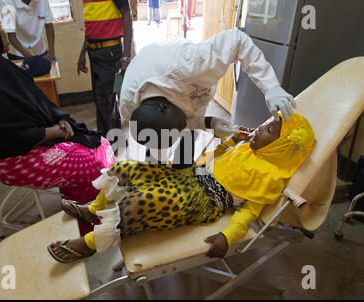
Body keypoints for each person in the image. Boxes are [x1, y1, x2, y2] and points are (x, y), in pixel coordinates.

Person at [47, 112, 314, 263]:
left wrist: (228, 236)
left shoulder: (270, 178)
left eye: (267, 131)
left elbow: (248, 213)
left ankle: (91, 242)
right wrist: (229, 142)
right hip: (190, 174)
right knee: (126, 167)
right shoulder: (246, 148)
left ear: (282, 147)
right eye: (262, 123)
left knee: (142, 201)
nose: (256, 130)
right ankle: (95, 210)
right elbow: (215, 160)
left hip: (203, 200)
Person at [0, 6, 115, 211]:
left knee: (99, 144)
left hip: (25, 144)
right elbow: (7, 137)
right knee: (96, 162)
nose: (2, 31)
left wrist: (58, 119)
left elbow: (37, 106)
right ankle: (87, 217)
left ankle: (82, 205)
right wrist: (55, 130)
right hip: (10, 159)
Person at [120, 27, 297, 168]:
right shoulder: (130, 106)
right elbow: (173, 127)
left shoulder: (191, 64)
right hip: (151, 72)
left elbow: (237, 40)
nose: (184, 126)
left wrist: (271, 87)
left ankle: (184, 172)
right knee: (155, 162)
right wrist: (210, 123)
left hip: (173, 62)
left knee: (187, 149)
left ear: (164, 106)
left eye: (182, 124)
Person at [77, 0, 133, 136]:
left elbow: (127, 14)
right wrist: (82, 52)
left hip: (109, 52)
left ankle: (108, 143)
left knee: (105, 102)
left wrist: (126, 58)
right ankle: (116, 138)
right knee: (104, 100)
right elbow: (92, 26)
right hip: (93, 52)